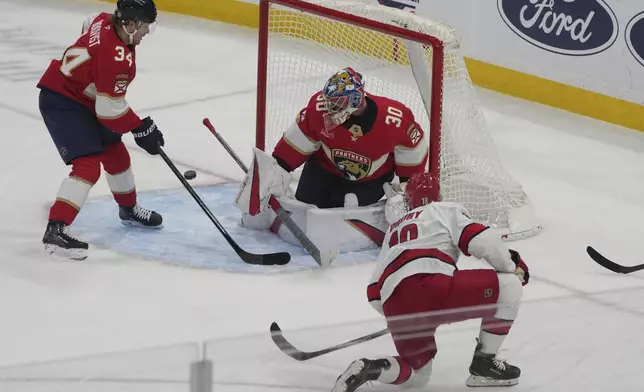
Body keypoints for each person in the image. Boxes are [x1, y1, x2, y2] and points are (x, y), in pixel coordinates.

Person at [332, 172, 530, 391]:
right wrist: (511, 268)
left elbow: (374, 292)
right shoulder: (444, 209)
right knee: (510, 287)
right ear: (438, 194)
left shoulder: (393, 229)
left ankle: (372, 367)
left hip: (394, 302)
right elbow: (481, 240)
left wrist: (400, 317)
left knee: (417, 376)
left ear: (409, 200)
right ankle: (485, 363)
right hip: (433, 287)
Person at [37, 0, 165, 260]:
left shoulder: (105, 19)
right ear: (131, 24)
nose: (145, 34)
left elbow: (89, 22)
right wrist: (140, 127)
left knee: (116, 154)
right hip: (63, 101)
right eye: (144, 28)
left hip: (84, 98)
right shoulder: (114, 57)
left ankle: (128, 210)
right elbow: (109, 111)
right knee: (87, 166)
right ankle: (56, 229)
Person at [235, 67, 428, 225]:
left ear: (356, 100)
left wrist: (406, 188)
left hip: (369, 180)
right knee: (305, 208)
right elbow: (288, 152)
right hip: (323, 169)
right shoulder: (318, 110)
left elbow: (411, 151)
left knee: (345, 211)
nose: (329, 108)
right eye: (329, 102)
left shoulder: (394, 119)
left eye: (337, 103)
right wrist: (273, 174)